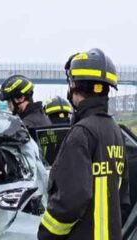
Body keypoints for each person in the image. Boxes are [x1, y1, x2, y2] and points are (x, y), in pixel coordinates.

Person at [38, 48, 130, 240]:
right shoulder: (115, 131)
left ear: (74, 85)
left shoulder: (82, 133)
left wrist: (46, 233)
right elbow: (122, 199)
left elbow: (70, 201)